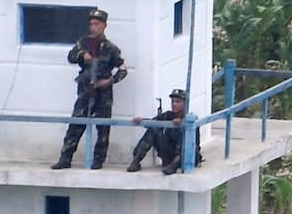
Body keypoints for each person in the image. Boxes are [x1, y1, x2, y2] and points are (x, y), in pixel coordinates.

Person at [51, 9, 128, 170]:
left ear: (104, 26)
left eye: (97, 24)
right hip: (86, 89)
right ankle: (65, 158)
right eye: (91, 24)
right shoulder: (83, 43)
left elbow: (123, 69)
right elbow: (71, 57)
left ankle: (98, 161)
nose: (93, 27)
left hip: (103, 92)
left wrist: (110, 81)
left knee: (103, 127)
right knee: (76, 124)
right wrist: (82, 56)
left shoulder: (111, 48)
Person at [126, 89, 202, 175]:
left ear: (185, 103)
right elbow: (153, 122)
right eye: (173, 101)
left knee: (185, 135)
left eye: (178, 102)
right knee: (154, 128)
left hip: (185, 157)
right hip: (169, 155)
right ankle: (136, 160)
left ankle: (175, 164)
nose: (174, 104)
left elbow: (193, 143)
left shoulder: (191, 118)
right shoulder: (168, 115)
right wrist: (142, 120)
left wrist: (182, 122)